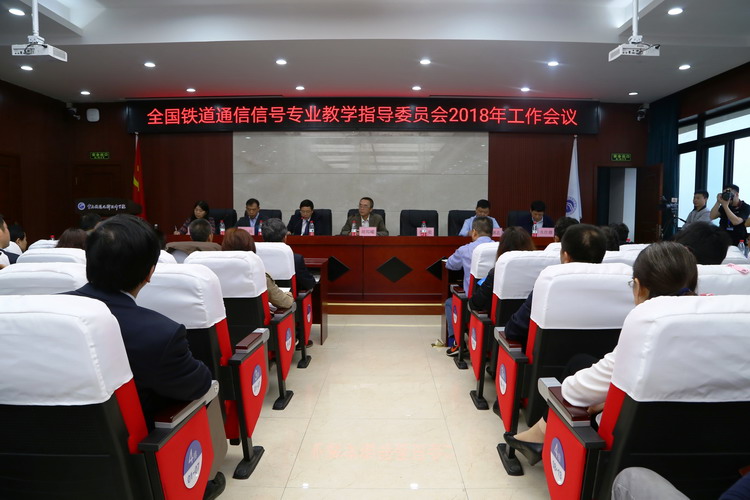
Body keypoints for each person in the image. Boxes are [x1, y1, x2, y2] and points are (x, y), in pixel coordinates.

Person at [68, 214, 226, 499]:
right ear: (150, 272)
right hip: (132, 467)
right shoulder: (159, 334)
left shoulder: (51, 313)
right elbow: (200, 384)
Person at [504, 241, 698, 466]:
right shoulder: (715, 321)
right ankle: (539, 434)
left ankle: (539, 435)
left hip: (630, 441)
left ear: (639, 287)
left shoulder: (646, 329)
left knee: (573, 380)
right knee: (581, 362)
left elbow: (573, 391)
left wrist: (605, 398)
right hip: (691, 438)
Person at [503, 224, 607, 350]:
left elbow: (514, 331)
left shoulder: (550, 283)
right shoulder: (618, 285)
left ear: (566, 256)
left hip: (549, 360)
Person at [444, 216, 493, 354]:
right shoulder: (501, 248)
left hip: (473, 302)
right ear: (492, 232)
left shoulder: (466, 249)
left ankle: (456, 343)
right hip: (494, 301)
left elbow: (450, 265)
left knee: (449, 303)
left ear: (474, 232)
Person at [221, 227, 294, 309]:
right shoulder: (257, 274)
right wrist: (288, 295)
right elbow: (285, 302)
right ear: (250, 245)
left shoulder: (215, 272)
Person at [469, 226, 536, 312]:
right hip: (527, 319)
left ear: (502, 247)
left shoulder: (497, 273)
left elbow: (473, 304)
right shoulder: (539, 271)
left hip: (499, 320)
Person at [262, 218, 317, 291]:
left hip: (264, 296)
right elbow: (309, 284)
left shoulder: (256, 258)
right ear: (285, 238)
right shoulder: (295, 259)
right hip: (288, 297)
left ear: (263, 238)